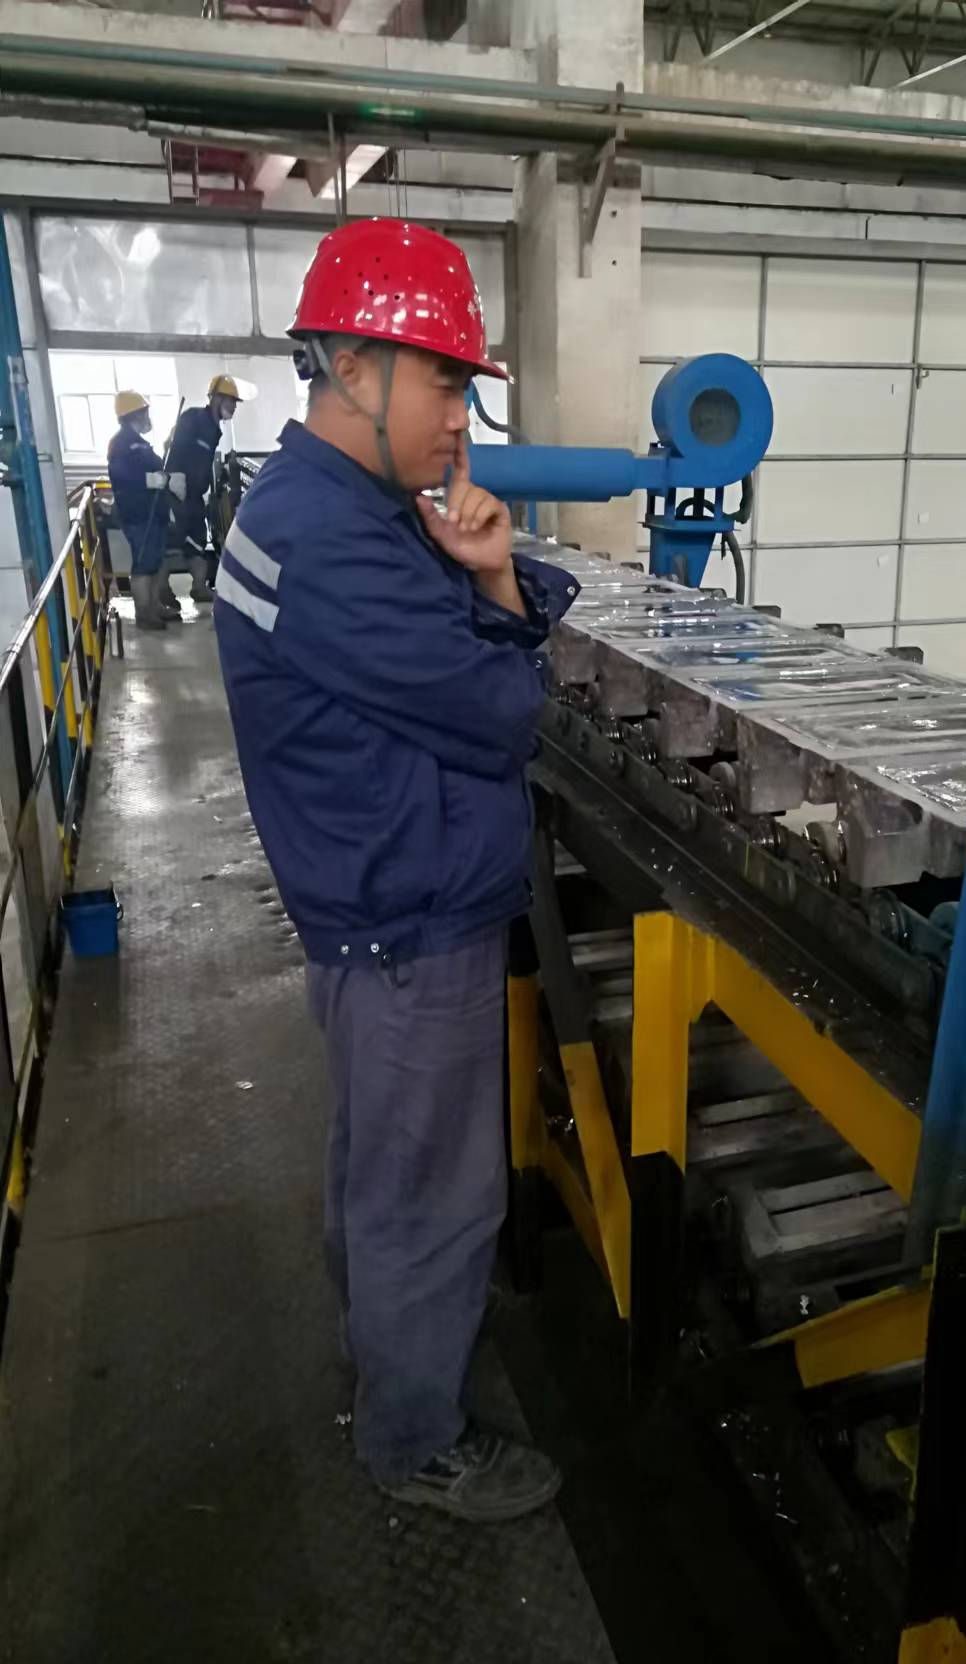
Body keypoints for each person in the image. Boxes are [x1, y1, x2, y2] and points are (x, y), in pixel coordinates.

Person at [215, 219, 579, 1522]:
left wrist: (495, 579)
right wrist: (498, 595)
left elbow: (501, 616)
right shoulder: (333, 541)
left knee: (378, 1169)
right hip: (410, 921)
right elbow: (502, 710)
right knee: (433, 1194)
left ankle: (381, 1359)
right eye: (443, 381)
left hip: (372, 912)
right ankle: (415, 1438)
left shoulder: (321, 507)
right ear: (354, 367)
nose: (460, 418)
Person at [106, 390, 186, 633]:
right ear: (133, 414)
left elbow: (153, 467)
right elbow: (122, 476)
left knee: (154, 563)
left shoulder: (138, 442)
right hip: (138, 514)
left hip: (153, 511)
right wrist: (151, 480)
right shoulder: (121, 443)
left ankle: (155, 607)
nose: (147, 416)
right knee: (143, 564)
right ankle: (144, 614)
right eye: (144, 411)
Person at [169, 375, 242, 603]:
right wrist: (174, 479)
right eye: (231, 401)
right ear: (217, 398)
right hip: (177, 493)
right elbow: (175, 449)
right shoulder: (192, 419)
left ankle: (199, 588)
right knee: (169, 543)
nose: (234, 407)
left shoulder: (214, 429)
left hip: (195, 495)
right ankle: (162, 593)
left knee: (198, 541)